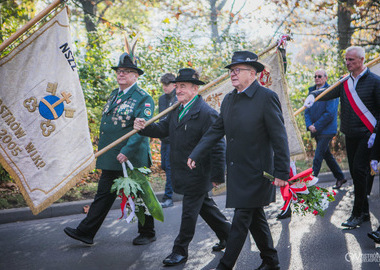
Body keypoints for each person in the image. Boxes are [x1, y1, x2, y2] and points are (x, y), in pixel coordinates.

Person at [188, 51, 290, 270]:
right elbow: (216, 130)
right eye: (231, 71)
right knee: (255, 218)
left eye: (237, 70)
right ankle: (271, 261)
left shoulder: (266, 97)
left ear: (252, 73)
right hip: (237, 172)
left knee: (241, 220)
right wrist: (197, 153)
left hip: (258, 172)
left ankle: (224, 266)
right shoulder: (229, 99)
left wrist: (282, 173)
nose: (232, 74)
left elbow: (279, 138)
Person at [134, 68, 231, 266]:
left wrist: (218, 175)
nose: (178, 90)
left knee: (189, 212)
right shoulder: (176, 109)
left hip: (198, 172)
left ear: (195, 89)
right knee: (205, 207)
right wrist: (145, 128)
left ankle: (180, 251)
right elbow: (163, 129)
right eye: (177, 86)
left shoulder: (206, 113)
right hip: (181, 170)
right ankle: (229, 235)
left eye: (183, 87)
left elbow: (218, 145)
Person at [64, 53, 156, 245]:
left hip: (131, 158)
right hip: (111, 155)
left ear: (136, 76)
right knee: (103, 195)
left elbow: (141, 129)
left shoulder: (143, 98)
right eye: (119, 71)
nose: (121, 74)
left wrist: (127, 151)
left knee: (139, 196)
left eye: (127, 71)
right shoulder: (115, 94)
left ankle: (148, 233)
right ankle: (86, 232)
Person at [304, 46, 380, 229]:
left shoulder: (375, 82)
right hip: (350, 134)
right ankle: (363, 212)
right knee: (355, 173)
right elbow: (327, 93)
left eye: (351, 60)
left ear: (362, 60)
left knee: (359, 170)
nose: (347, 63)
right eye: (346, 59)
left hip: (367, 135)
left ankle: (356, 214)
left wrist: (376, 132)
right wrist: (312, 96)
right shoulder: (345, 81)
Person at [304, 69, 346, 189]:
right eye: (315, 76)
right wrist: (309, 125)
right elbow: (306, 110)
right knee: (327, 155)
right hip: (315, 129)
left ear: (325, 78)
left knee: (318, 156)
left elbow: (330, 113)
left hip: (327, 130)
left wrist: (316, 125)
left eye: (319, 76)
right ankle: (340, 177)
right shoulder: (311, 91)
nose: (317, 78)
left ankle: (310, 184)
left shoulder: (331, 90)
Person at [158, 73, 177, 208]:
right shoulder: (162, 99)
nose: (165, 87)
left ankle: (168, 197)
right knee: (164, 166)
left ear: (174, 84)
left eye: (167, 85)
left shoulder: (178, 98)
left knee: (170, 167)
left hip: (174, 139)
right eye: (163, 85)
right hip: (164, 138)